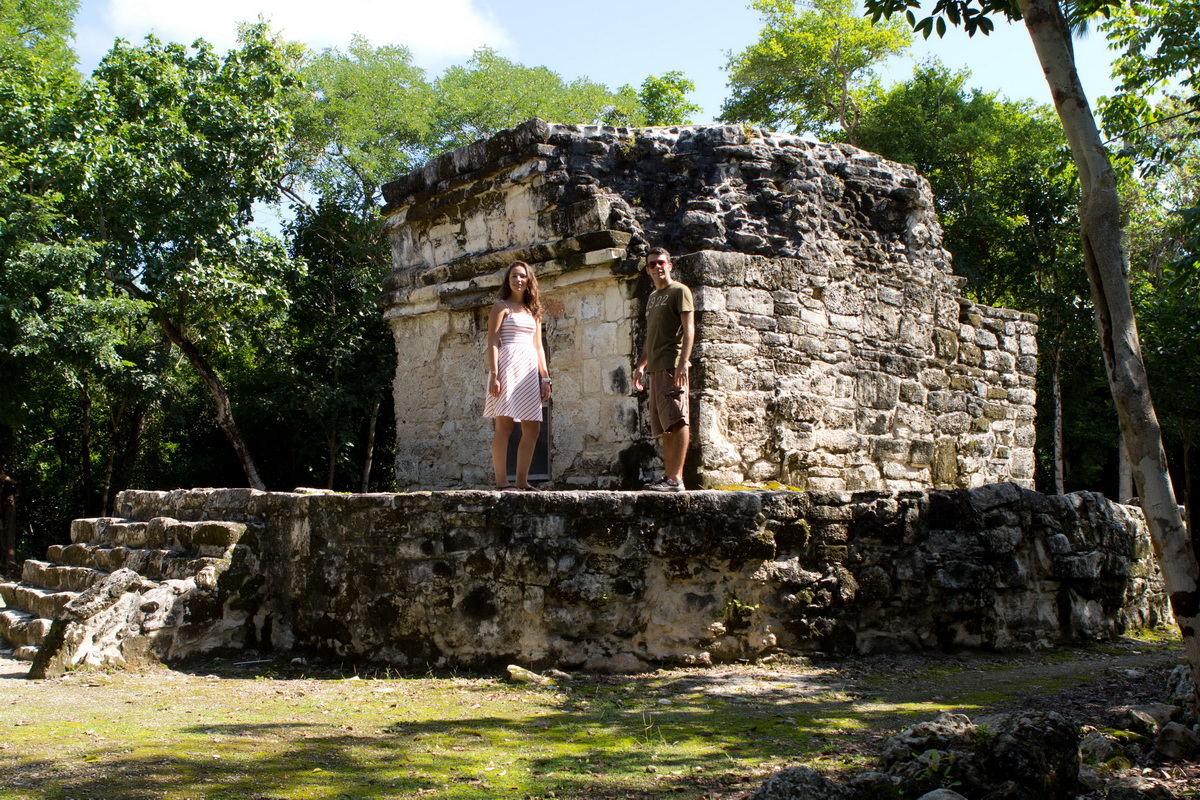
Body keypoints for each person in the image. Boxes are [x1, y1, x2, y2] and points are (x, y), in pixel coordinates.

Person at [484, 261, 552, 491]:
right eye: (514, 276)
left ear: (528, 280)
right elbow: (493, 342)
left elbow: (539, 346)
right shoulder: (500, 306)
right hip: (507, 367)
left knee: (532, 429)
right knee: (504, 427)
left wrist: (545, 377)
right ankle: (502, 483)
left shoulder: (534, 311)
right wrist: (494, 375)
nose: (518, 280)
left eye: (522, 276)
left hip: (529, 370)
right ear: (508, 280)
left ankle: (522, 481)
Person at [632, 247, 694, 492]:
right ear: (647, 270)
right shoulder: (652, 298)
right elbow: (650, 336)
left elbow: (689, 328)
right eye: (651, 264)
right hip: (655, 367)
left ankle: (676, 478)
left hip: (672, 364)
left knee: (678, 418)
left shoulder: (680, 291)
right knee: (665, 424)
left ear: (670, 265)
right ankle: (669, 477)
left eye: (660, 262)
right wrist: (640, 366)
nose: (657, 267)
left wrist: (683, 361)